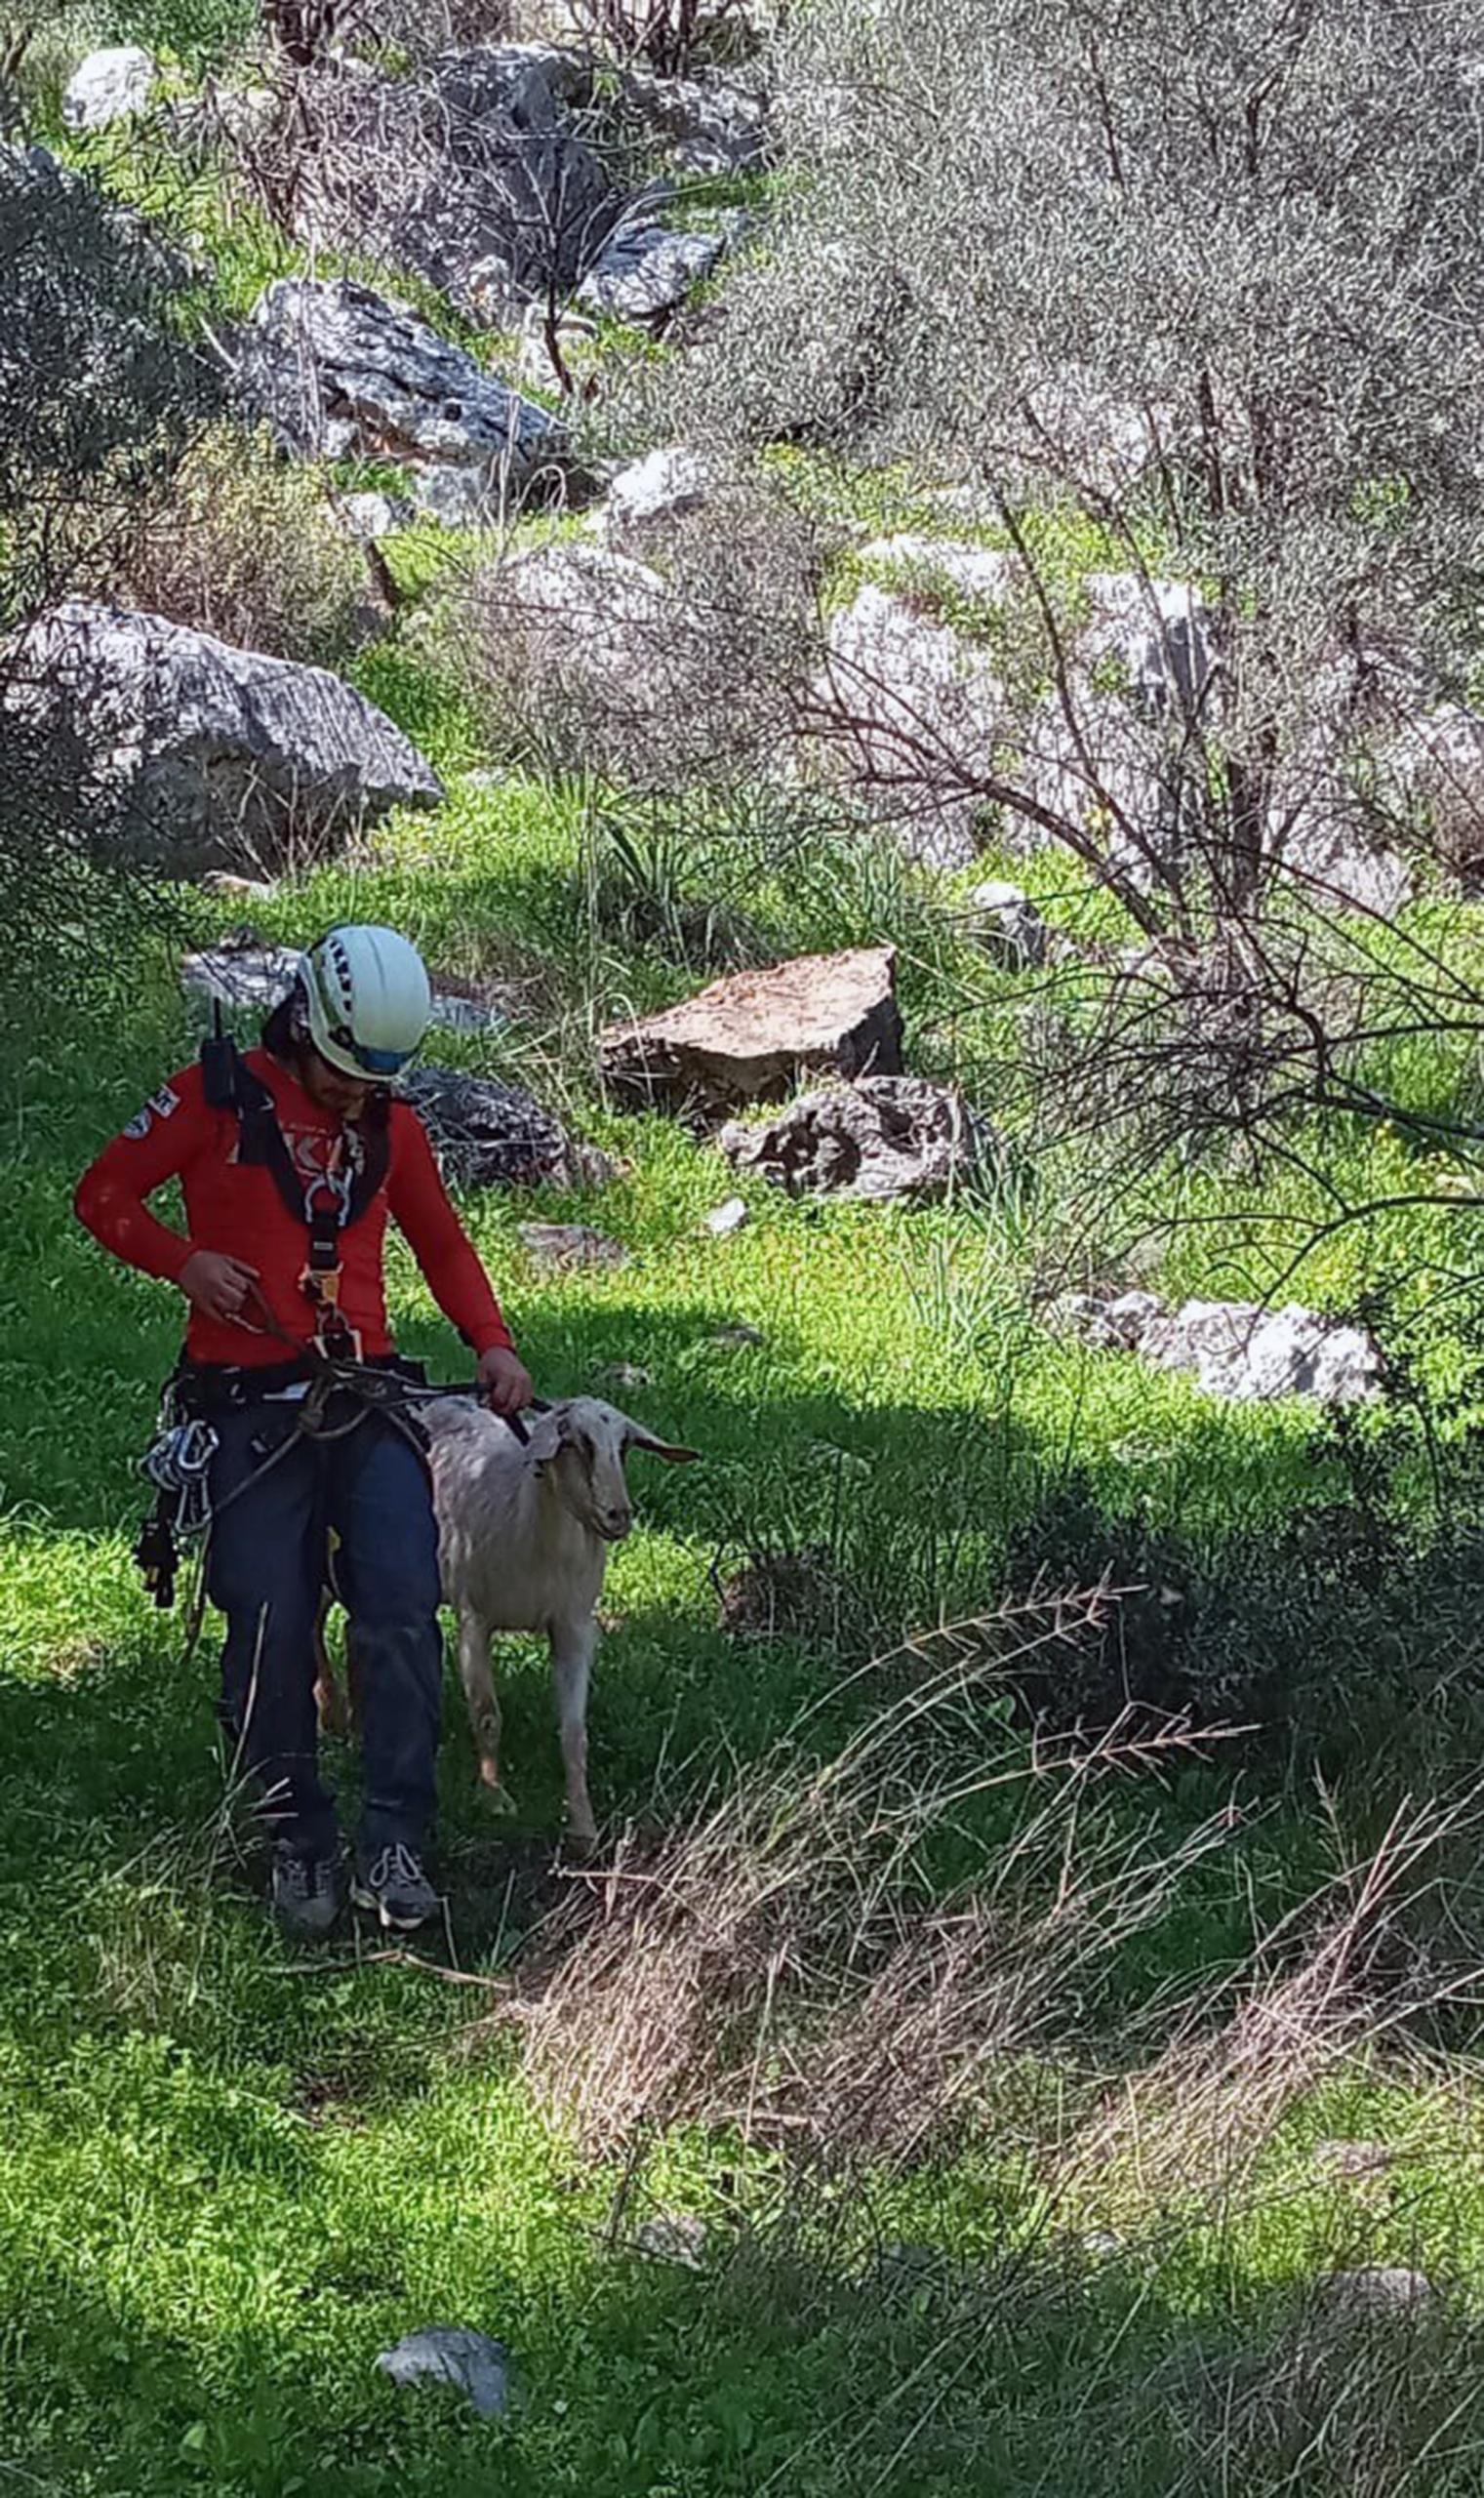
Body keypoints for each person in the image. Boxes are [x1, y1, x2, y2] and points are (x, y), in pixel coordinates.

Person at [75, 925, 533, 1939]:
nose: (352, 1094)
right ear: (300, 1024)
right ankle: (297, 1839)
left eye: (373, 1079)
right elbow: (101, 1195)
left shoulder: (391, 1126)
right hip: (244, 1404)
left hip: (363, 1396)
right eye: (339, 1071)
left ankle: (398, 1839)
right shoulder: (212, 1100)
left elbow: (443, 1243)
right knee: (273, 1622)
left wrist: (492, 1344)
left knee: (403, 1609)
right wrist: (184, 1261)